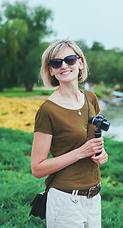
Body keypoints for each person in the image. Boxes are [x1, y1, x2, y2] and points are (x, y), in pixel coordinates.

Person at [31, 40, 108, 228]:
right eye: (56, 63)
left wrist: (101, 153)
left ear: (80, 63)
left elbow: (93, 141)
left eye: (70, 59)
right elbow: (37, 169)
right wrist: (81, 152)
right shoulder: (48, 110)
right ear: (51, 71)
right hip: (65, 200)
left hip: (94, 196)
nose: (64, 65)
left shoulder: (91, 98)